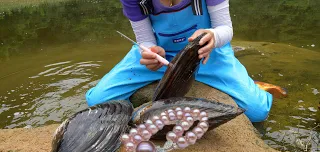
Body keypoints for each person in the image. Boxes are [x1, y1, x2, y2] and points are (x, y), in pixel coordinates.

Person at [85, 0, 273, 122]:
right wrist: (150, 53)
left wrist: (213, 36)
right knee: (97, 100)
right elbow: (145, 40)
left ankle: (252, 85)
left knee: (258, 112)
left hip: (207, 53)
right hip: (162, 55)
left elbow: (225, 28)